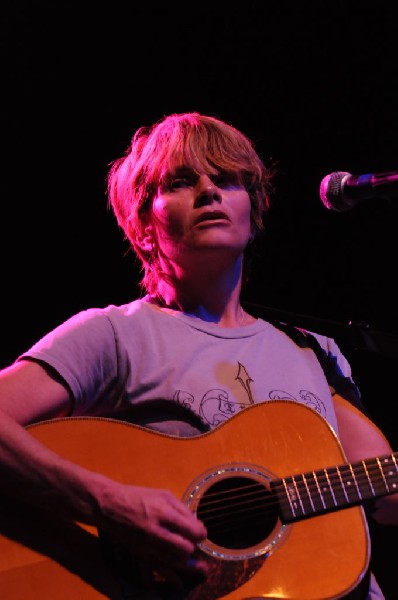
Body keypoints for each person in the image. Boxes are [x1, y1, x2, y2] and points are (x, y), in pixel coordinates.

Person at [0, 111, 396, 600]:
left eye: (227, 180)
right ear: (143, 226)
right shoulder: (114, 334)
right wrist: (106, 502)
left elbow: (385, 490)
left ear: (254, 211)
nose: (209, 191)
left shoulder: (313, 349)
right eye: (183, 182)